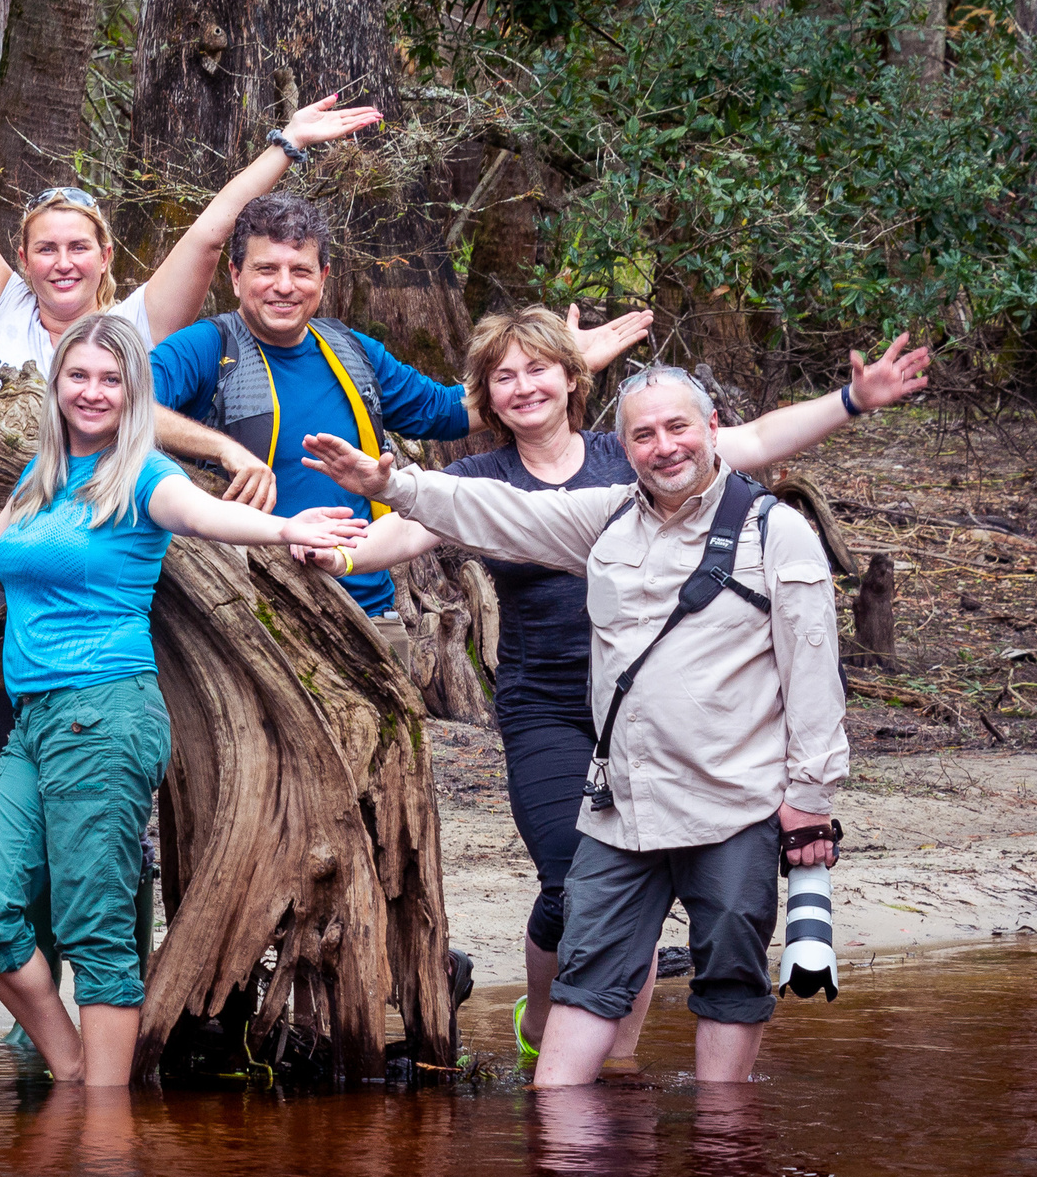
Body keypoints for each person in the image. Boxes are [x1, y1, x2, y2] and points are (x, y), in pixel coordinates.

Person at [292, 308, 931, 1070]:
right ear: (486, 399)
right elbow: (430, 524)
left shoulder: (654, 468)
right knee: (573, 887)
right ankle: (562, 1043)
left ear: (573, 380)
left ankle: (620, 1072)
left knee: (711, 927)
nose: (524, 388)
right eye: (505, 377)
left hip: (687, 727)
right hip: (555, 706)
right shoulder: (526, 490)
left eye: (539, 370)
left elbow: (757, 444)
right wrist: (340, 538)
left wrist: (854, 400)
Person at [0, 17, 380, 776]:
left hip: (99, 579)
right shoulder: (1, 309)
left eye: (80, 246)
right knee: (8, 765)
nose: (63, 261)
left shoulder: (133, 325)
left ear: (105, 254)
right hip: (2, 554)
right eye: (46, 246)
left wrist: (288, 144)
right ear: (23, 257)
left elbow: (211, 235)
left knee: (97, 774)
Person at [0, 313, 370, 1087]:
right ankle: (73, 1069)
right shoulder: (38, 479)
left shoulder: (142, 474)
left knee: (94, 929)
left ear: (134, 392)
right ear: (57, 385)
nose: (94, 391)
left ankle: (104, 1135)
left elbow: (205, 517)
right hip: (36, 722)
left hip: (105, 714)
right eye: (80, 375)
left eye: (112, 379)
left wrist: (281, 528)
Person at [149, 191, 657, 663]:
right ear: (235, 276)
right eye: (266, 269)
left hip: (369, 613)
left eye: (300, 270)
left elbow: (449, 410)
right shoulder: (208, 347)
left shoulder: (351, 351)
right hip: (251, 612)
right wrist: (224, 449)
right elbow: (121, 407)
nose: (284, 285)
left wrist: (564, 366)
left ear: (324, 278)